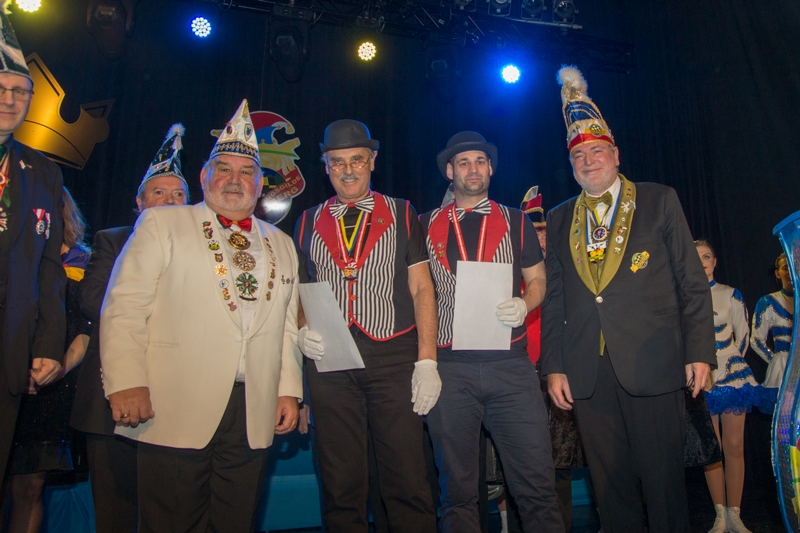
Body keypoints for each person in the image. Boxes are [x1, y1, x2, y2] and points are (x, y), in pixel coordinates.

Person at [99, 100, 303, 533]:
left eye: (246, 172)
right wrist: (126, 380)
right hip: (173, 401)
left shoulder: (282, 243)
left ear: (260, 184)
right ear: (204, 177)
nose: (234, 180)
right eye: (223, 169)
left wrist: (288, 390)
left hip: (252, 407)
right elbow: (125, 306)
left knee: (236, 521)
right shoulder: (162, 225)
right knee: (170, 523)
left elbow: (286, 327)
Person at [541, 66, 715, 533]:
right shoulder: (558, 218)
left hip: (653, 361)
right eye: (579, 155)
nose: (589, 161)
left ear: (616, 154)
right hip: (587, 371)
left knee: (664, 488)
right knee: (609, 490)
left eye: (597, 151)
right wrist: (553, 366)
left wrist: (700, 351)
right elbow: (554, 299)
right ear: (571, 164)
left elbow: (692, 283)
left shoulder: (659, 200)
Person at [294, 119, 439, 533]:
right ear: (326, 166)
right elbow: (299, 289)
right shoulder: (307, 220)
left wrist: (427, 361)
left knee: (406, 476)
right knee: (340, 481)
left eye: (356, 160)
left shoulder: (403, 212)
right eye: (337, 162)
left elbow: (422, 288)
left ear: (372, 161)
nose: (348, 170)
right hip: (331, 361)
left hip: (393, 354)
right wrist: (302, 331)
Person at [420, 131, 563, 533]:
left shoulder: (518, 221)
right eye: (463, 162)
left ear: (491, 169)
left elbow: (539, 280)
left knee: (537, 484)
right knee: (457, 492)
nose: (473, 169)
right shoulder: (423, 225)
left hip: (510, 366)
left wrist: (525, 303)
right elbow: (413, 292)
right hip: (449, 369)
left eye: (480, 161)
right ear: (449, 171)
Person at [69, 124, 189, 533]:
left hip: (177, 399)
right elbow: (92, 301)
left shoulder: (204, 251)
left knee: (169, 513)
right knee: (115, 513)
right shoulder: (113, 240)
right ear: (139, 203)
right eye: (159, 192)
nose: (170, 200)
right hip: (110, 400)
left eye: (179, 195)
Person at [0, 8, 66, 482]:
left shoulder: (43, 170)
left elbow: (49, 268)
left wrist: (47, 344)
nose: (9, 100)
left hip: (10, 348)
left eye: (20, 92)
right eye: (0, 89)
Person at [7, 187, 90, 533]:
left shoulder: (84, 262)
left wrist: (57, 371)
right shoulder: (11, 254)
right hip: (7, 381)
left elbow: (86, 329)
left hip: (52, 389)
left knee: (29, 488)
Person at [695, 239, 761, 533]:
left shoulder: (730, 294)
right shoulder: (685, 298)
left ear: (715, 261)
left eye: (707, 256)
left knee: (734, 445)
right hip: (702, 380)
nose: (702, 262)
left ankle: (735, 514)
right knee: (712, 449)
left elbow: (743, 338)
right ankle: (719, 515)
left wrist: (728, 364)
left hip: (732, 376)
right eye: (697, 257)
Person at [750, 252, 794, 413]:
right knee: (786, 419)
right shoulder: (768, 302)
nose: (789, 271)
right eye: (785, 268)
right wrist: (776, 360)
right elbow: (756, 340)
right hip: (783, 370)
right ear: (777, 273)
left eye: (793, 266)